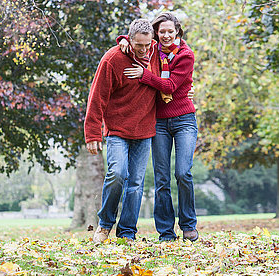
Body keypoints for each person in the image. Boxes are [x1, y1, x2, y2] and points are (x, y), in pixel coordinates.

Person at [123, 13, 198, 242]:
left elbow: (171, 85)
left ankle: (188, 224)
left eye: (170, 31)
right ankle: (166, 231)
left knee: (183, 172)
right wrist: (123, 40)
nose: (166, 35)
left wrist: (144, 75)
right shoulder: (151, 51)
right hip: (158, 121)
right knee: (161, 178)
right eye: (161, 32)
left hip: (184, 118)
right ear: (156, 32)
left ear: (177, 32)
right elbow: (134, 42)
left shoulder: (185, 55)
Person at [84, 18, 160, 244]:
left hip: (144, 130)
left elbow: (178, 60)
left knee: (136, 184)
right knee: (117, 174)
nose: (145, 50)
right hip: (117, 130)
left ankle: (127, 232)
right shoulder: (113, 59)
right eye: (139, 46)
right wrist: (92, 133)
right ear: (129, 39)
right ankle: (105, 224)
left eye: (148, 45)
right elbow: (97, 97)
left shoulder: (156, 54)